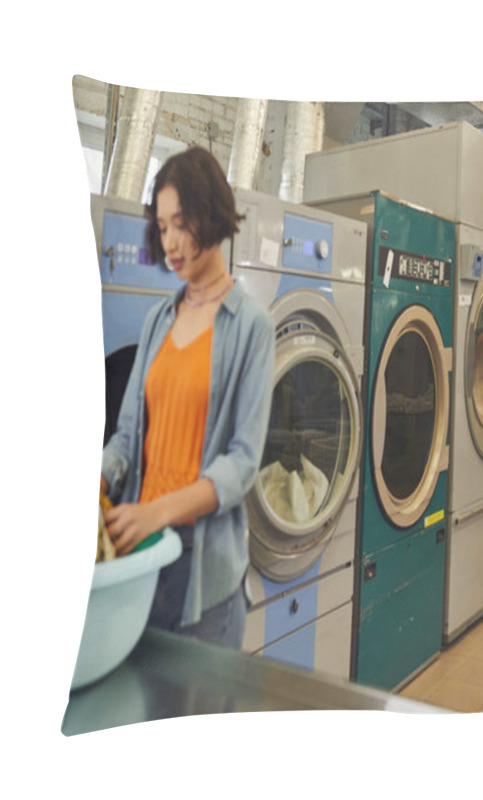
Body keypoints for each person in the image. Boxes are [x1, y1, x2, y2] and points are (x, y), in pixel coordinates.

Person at [100, 146, 275, 647]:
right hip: (139, 550)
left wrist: (158, 510)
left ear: (212, 215)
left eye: (182, 223)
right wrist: (99, 476)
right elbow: (129, 434)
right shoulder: (159, 320)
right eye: (162, 226)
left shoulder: (252, 328)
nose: (171, 242)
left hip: (204, 570)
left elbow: (242, 464)